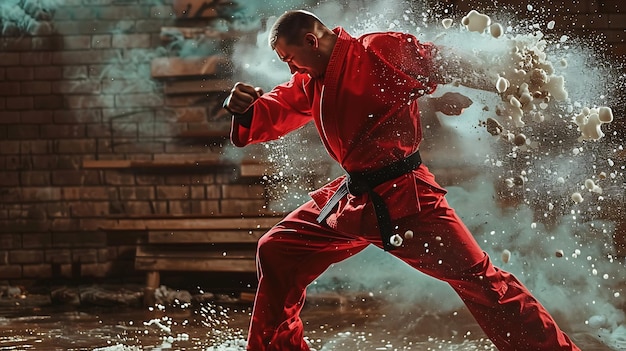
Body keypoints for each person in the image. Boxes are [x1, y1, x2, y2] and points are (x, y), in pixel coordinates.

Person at [223, 10, 581, 351]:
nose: (289, 67)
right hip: (353, 200)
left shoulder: (380, 49)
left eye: (289, 56)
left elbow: (440, 60)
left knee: (481, 282)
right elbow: (274, 109)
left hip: (407, 198)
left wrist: (511, 79)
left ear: (310, 40)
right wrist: (245, 108)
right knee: (277, 249)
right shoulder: (310, 81)